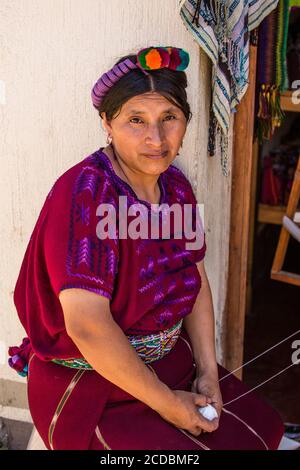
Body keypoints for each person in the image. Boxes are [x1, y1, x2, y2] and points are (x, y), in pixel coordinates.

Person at [8, 46, 284, 450]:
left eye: (169, 118)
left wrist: (208, 370)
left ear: (185, 121)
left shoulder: (175, 187)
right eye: (136, 120)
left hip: (170, 361)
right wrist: (170, 405)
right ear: (107, 122)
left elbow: (197, 280)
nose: (156, 139)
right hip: (91, 381)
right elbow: (88, 326)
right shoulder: (85, 196)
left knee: (264, 432)